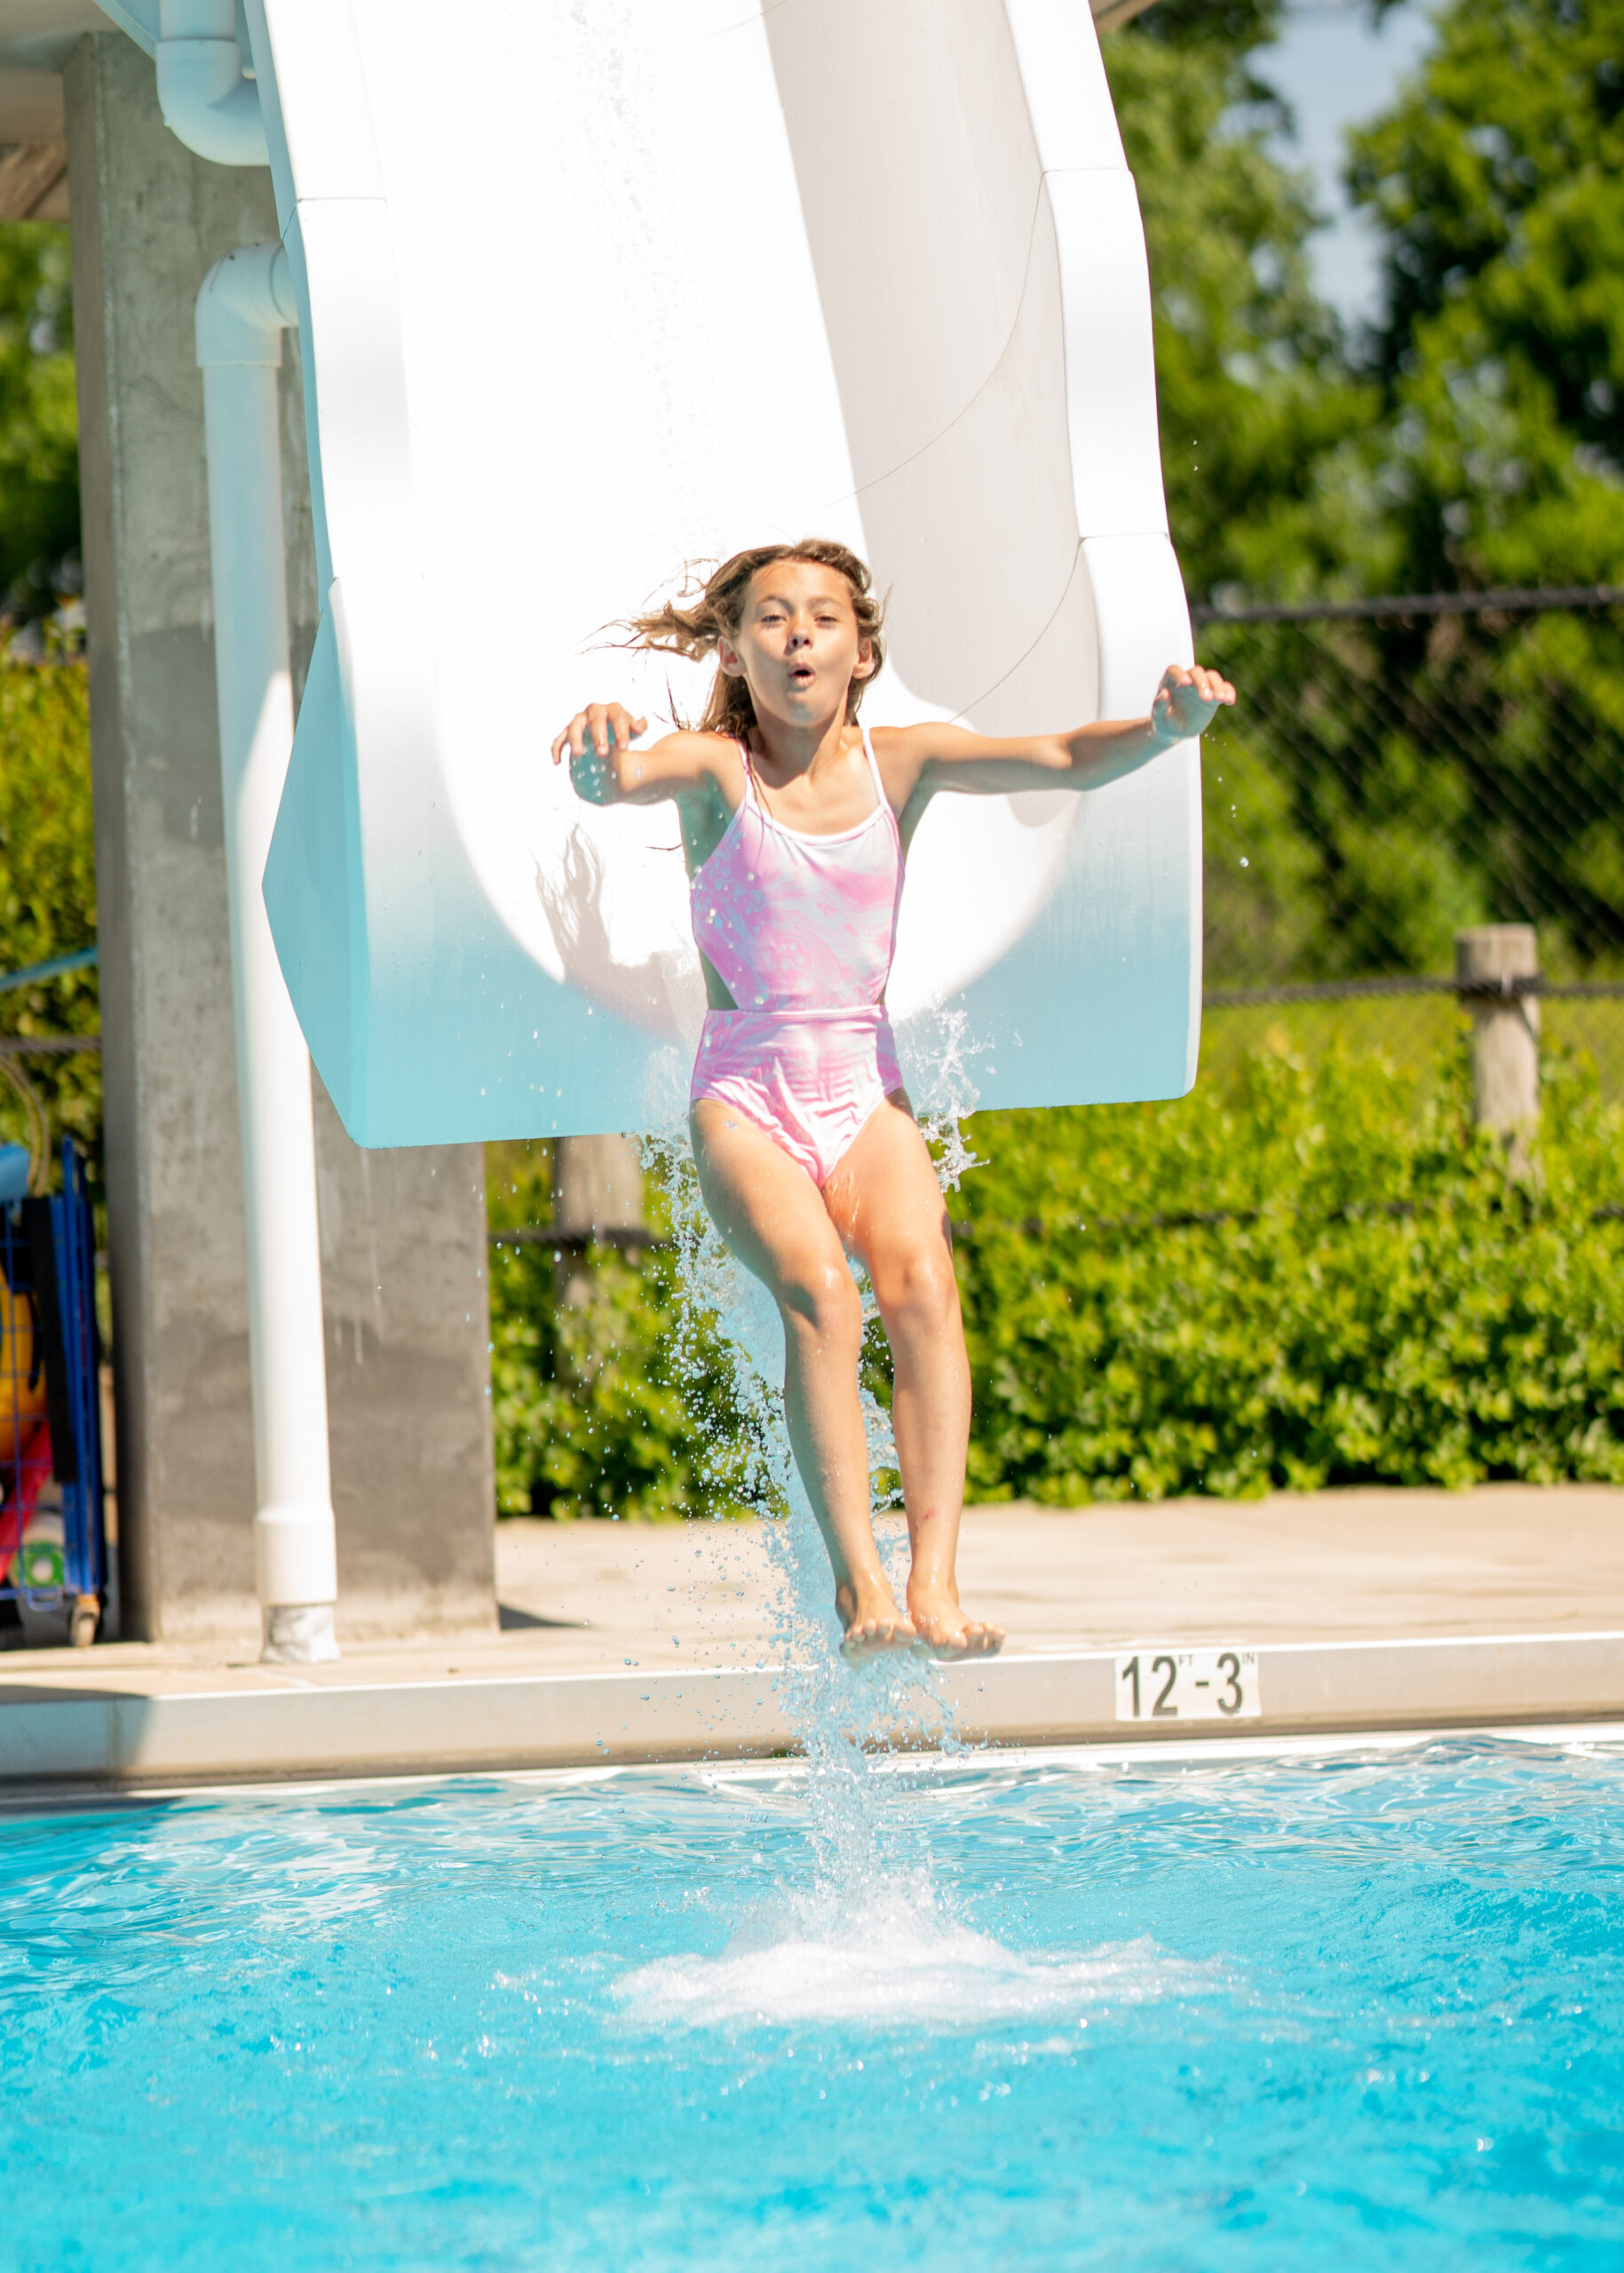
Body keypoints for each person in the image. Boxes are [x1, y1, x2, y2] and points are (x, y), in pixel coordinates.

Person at [551, 540, 1235, 1662]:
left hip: (863, 1090)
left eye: (822, 617)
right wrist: (594, 753)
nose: (798, 635)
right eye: (770, 619)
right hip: (745, 1098)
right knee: (822, 1291)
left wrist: (1160, 731)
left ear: (861, 650)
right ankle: (859, 1586)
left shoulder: (899, 762)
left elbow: (1060, 754)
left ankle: (936, 1583)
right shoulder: (720, 774)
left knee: (921, 1282)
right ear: (734, 647)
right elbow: (613, 778)